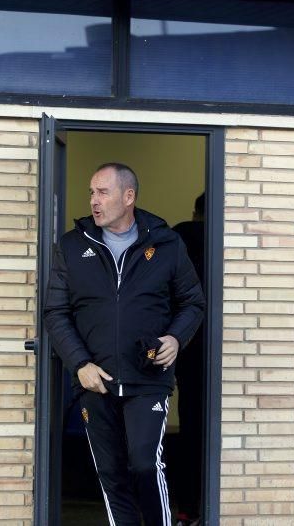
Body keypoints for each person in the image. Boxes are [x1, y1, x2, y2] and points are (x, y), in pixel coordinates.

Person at [44, 162, 205, 526]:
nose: (94, 201)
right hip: (94, 380)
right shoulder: (72, 247)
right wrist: (80, 364)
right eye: (91, 192)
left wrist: (177, 337)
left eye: (103, 192)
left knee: (146, 464)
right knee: (111, 475)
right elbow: (56, 312)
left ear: (128, 196)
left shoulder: (165, 243)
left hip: (148, 377)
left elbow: (193, 301)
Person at [171, 193, 206, 526]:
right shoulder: (226, 241)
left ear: (195, 213)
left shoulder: (177, 241)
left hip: (188, 351)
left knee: (190, 430)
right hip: (220, 353)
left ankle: (187, 511)